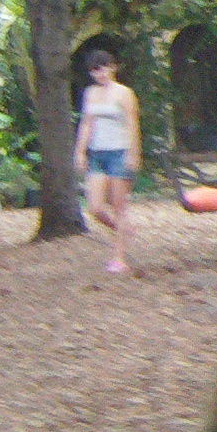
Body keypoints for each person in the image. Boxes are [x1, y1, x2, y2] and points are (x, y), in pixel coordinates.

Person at [73, 49, 141, 275]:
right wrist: (80, 151)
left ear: (112, 68)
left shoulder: (124, 93)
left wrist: (133, 153)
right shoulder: (90, 93)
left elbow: (132, 125)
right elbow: (86, 123)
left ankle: (118, 257)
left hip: (119, 152)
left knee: (119, 207)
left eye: (102, 69)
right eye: (94, 71)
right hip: (97, 153)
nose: (99, 74)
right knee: (95, 207)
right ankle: (123, 230)